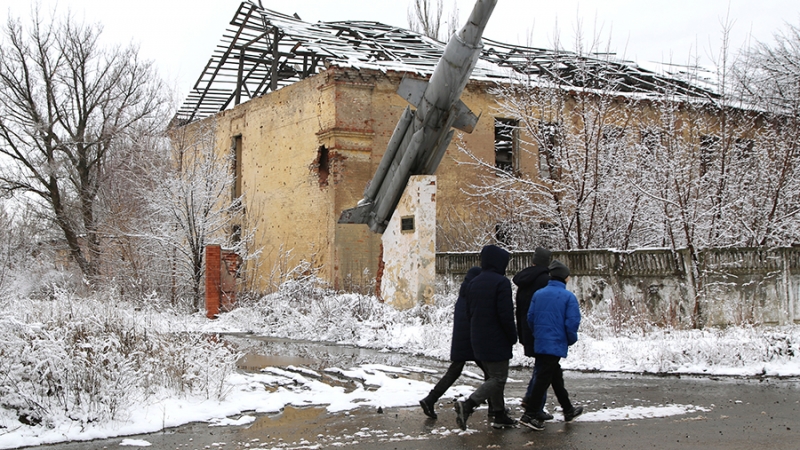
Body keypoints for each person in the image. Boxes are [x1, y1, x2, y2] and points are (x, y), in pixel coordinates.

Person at [454, 245, 518, 430]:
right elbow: (506, 314)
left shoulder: (474, 282)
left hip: (477, 338)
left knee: (492, 376)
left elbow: (469, 312)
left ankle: (499, 414)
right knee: (498, 378)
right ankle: (468, 406)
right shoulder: (501, 282)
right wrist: (512, 336)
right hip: (496, 339)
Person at [519, 260, 584, 431]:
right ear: (564, 277)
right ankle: (530, 414)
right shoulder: (568, 297)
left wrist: (538, 334)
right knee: (543, 379)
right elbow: (572, 322)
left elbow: (530, 318)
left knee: (555, 376)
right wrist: (569, 339)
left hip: (540, 341)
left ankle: (568, 409)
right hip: (556, 341)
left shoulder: (539, 294)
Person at [419, 266, 484, 419]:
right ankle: (494, 408)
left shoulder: (463, 294)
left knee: (455, 371)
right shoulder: (473, 295)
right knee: (492, 374)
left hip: (462, 340)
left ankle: (430, 399)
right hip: (471, 340)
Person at [512, 247, 553, 420]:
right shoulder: (544, 280)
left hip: (526, 329)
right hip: (540, 330)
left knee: (542, 367)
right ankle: (535, 406)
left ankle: (531, 399)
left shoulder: (524, 279)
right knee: (544, 369)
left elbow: (520, 308)